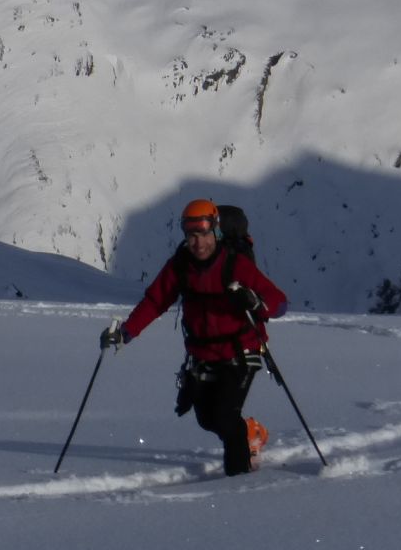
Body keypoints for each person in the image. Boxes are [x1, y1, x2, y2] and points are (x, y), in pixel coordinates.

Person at [100, 197, 288, 475]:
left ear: (216, 231)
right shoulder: (180, 266)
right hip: (202, 356)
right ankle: (249, 432)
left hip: (241, 351)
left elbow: (280, 303)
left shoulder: (235, 265)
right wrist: (125, 333)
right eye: (191, 235)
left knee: (224, 417)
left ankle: (238, 481)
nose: (198, 242)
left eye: (203, 234)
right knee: (207, 418)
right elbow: (155, 301)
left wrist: (255, 302)